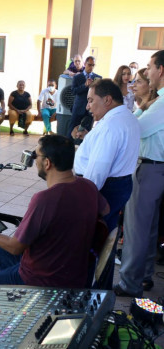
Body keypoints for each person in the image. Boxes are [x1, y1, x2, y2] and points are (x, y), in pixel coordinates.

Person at [0, 135, 108, 304]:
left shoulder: (45, 199)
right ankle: (14, 300)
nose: (34, 161)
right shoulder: (88, 185)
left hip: (44, 280)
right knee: (2, 254)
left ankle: (21, 299)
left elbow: (15, 247)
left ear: (47, 163)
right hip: (74, 270)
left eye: (35, 156)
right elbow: (106, 210)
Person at [116, 50, 164, 297]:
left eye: (149, 67)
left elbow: (137, 129)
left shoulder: (162, 102)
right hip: (155, 168)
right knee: (149, 227)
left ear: (160, 70)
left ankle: (129, 283)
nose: (147, 72)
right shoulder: (156, 103)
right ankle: (143, 277)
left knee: (136, 229)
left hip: (151, 168)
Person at [74, 79, 140, 233]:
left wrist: (83, 197)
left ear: (108, 100)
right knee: (106, 233)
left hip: (104, 188)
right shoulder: (128, 117)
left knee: (93, 238)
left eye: (91, 100)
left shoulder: (111, 125)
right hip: (118, 185)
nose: (87, 106)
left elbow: (99, 168)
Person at [68, 56, 101, 138]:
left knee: (88, 129)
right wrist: (84, 85)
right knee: (72, 129)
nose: (91, 67)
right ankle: (68, 146)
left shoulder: (98, 78)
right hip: (79, 106)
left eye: (93, 65)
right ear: (85, 64)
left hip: (91, 108)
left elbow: (100, 93)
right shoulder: (77, 77)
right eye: (89, 65)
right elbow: (73, 91)